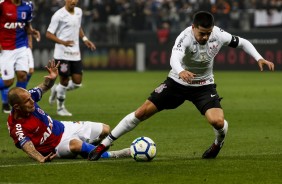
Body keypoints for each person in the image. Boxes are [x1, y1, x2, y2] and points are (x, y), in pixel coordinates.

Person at [89, 11, 275, 161]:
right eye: (202, 33)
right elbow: (174, 58)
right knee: (141, 112)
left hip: (204, 85)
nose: (205, 37)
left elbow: (243, 43)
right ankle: (103, 144)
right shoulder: (184, 37)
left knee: (217, 122)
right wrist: (180, 72)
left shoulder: (218, 34)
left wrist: (259, 57)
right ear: (193, 27)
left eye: (208, 33)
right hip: (177, 83)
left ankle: (218, 143)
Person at [7, 60, 130, 163]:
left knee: (105, 129)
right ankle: (116, 154)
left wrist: (52, 79)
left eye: (30, 98)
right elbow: (26, 147)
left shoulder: (30, 96)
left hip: (64, 127)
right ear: (17, 107)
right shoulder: (16, 126)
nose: (32, 101)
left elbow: (44, 86)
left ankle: (88, 149)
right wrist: (40, 158)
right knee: (76, 145)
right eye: (27, 101)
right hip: (56, 146)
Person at [46, 0, 96, 116]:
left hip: (75, 53)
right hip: (62, 54)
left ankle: (56, 89)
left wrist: (85, 39)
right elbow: (49, 34)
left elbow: (78, 27)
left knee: (77, 83)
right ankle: (60, 108)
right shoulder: (58, 15)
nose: (73, 1)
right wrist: (62, 42)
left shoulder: (79, 11)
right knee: (64, 81)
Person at [0, 0, 40, 113]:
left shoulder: (28, 6)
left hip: (21, 46)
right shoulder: (3, 5)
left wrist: (32, 32)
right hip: (6, 49)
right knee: (8, 82)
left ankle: (17, 106)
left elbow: (26, 25)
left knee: (23, 76)